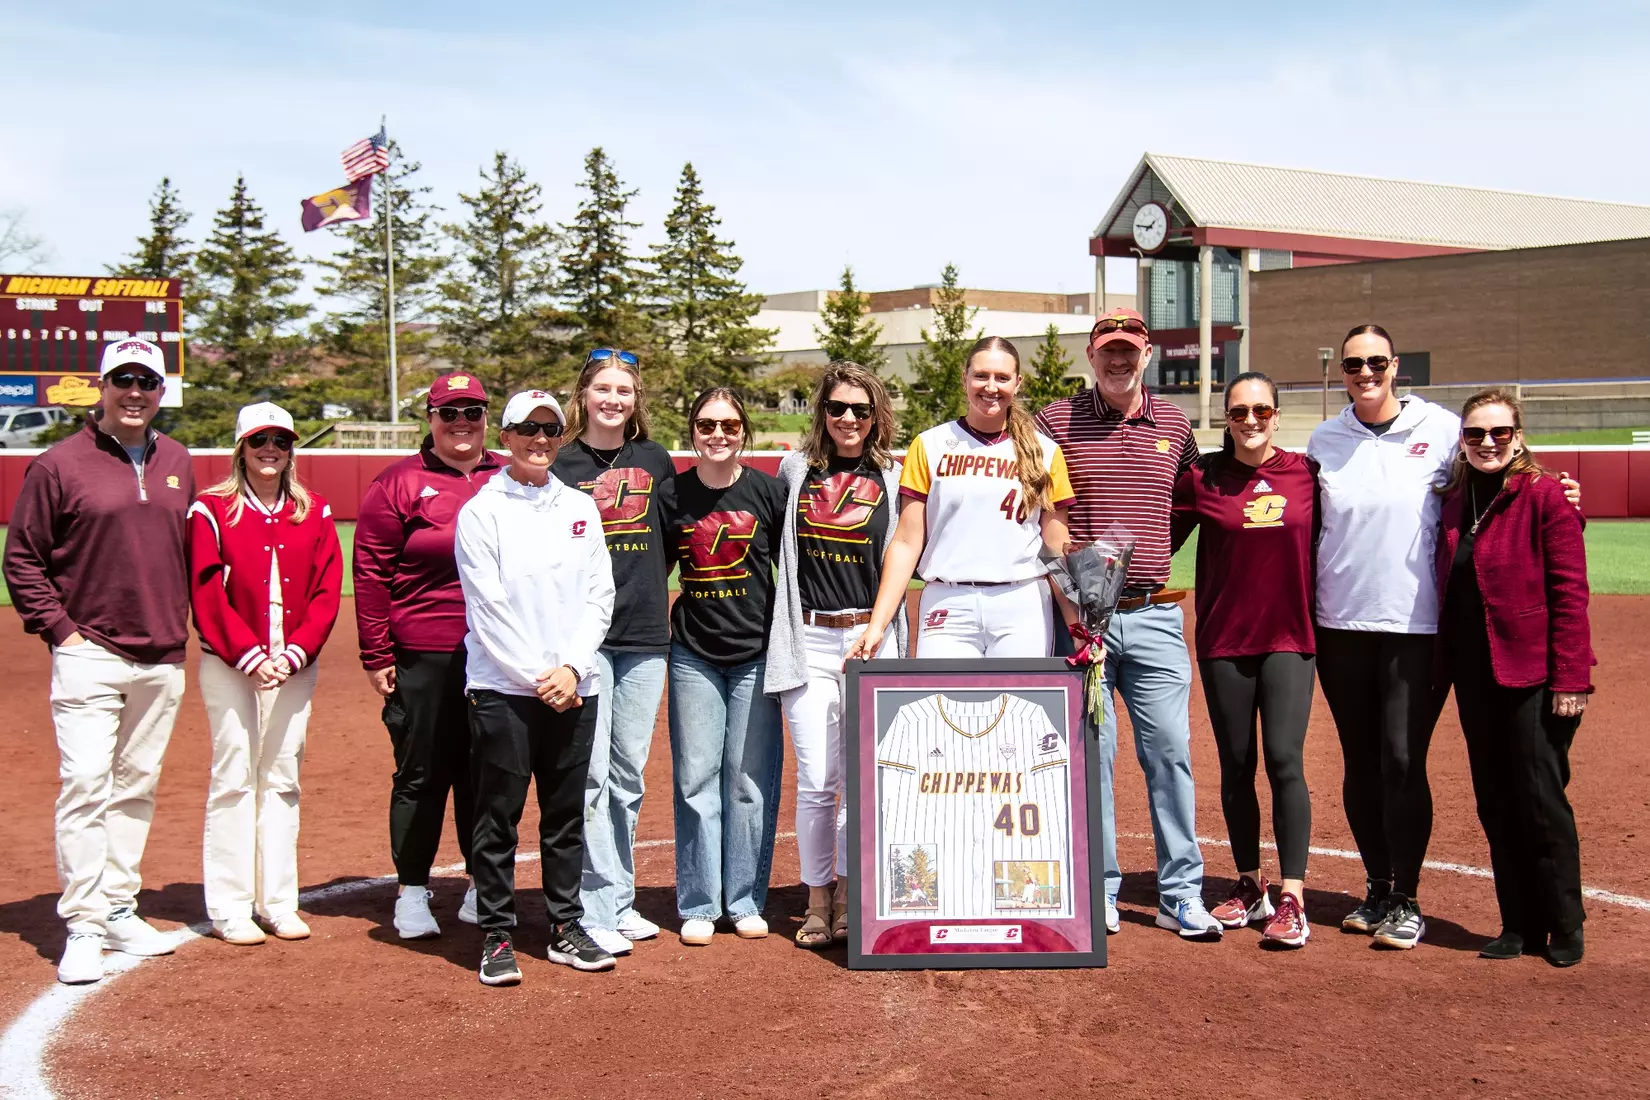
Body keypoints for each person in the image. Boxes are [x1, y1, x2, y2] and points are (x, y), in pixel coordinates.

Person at [1311, 325, 1581, 950]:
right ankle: (1378, 886)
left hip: (1419, 628)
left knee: (1403, 759)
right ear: (1341, 371)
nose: (1366, 371)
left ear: (1396, 365)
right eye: (1354, 364)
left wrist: (1564, 494)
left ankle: (1407, 896)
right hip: (1341, 623)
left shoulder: (1440, 432)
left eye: (1377, 361)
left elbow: (1509, 486)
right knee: (1361, 763)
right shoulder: (1324, 441)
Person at [3, 339, 194, 984]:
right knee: (86, 785)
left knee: (135, 789)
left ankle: (119, 906)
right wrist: (61, 632)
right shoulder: (59, 464)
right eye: (123, 380)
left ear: (161, 391)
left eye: (147, 381)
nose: (135, 392)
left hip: (163, 653)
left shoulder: (178, 460)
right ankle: (83, 924)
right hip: (90, 652)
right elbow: (22, 557)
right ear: (102, 386)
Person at [1035, 308, 1223, 940]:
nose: (1119, 360)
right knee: (1095, 755)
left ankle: (1180, 892)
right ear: (1091, 355)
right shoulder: (1055, 421)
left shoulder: (1173, 423)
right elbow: (1037, 508)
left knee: (1169, 751)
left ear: (1148, 354)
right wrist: (1074, 584)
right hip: (1081, 619)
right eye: (1107, 350)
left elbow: (1193, 502)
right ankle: (1101, 886)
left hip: (1154, 613)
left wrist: (1155, 550)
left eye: (1130, 350)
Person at [455, 390, 616, 984]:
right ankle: (497, 932)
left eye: (551, 429)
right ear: (507, 435)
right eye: (528, 429)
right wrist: (537, 676)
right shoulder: (482, 510)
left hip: (576, 685)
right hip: (503, 687)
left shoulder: (579, 505)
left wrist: (571, 669)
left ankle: (565, 925)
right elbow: (487, 607)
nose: (540, 439)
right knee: (498, 814)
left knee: (565, 814)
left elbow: (601, 594)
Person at [1433, 388, 1591, 967]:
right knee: (1495, 799)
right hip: (1476, 675)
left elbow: (1571, 594)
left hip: (1534, 675)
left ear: (1518, 436)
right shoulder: (1454, 498)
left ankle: (1565, 922)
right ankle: (1518, 923)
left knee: (1541, 799)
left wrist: (1570, 679)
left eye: (1499, 432)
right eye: (1475, 434)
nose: (1488, 443)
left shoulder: (1545, 495)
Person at [354, 372, 503, 940]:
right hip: (424, 649)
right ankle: (412, 890)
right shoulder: (398, 482)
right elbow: (370, 573)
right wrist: (376, 651)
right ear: (430, 418)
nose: (460, 422)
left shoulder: (506, 475)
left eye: (471, 411)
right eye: (449, 412)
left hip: (495, 652)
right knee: (421, 773)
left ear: (487, 417)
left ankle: (477, 884)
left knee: (484, 773)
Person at [1171, 373, 1317, 948]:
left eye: (1261, 410)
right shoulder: (1204, 477)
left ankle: (1292, 896)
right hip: (1225, 640)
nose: (1250, 420)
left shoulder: (1307, 474)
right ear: (1226, 418)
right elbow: (1161, 535)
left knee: (1284, 759)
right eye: (1239, 412)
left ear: (1276, 414)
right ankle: (1249, 883)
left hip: (1289, 637)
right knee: (1236, 764)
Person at [188, 402, 343, 946]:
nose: (270, 449)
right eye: (259, 440)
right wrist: (250, 656)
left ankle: (277, 901)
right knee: (234, 777)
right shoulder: (210, 509)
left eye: (280, 439)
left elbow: (327, 591)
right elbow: (205, 593)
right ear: (241, 448)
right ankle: (230, 905)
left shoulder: (315, 511)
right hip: (230, 666)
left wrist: (295, 652)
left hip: (294, 666)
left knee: (281, 780)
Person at [765, 363, 905, 948]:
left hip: (872, 638)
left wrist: (878, 627)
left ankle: (850, 892)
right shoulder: (796, 470)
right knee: (819, 780)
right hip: (809, 638)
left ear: (877, 417)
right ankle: (817, 898)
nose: (848, 419)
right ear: (822, 412)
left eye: (861, 409)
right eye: (837, 408)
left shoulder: (895, 475)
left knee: (864, 775)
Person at [550, 349, 677, 957]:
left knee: (627, 778)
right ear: (583, 395)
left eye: (624, 390)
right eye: (603, 388)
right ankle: (592, 906)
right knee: (592, 776)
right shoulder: (561, 461)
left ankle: (618, 901)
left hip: (646, 636)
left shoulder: (655, 460)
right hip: (586, 641)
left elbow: (670, 540)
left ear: (636, 400)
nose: (614, 399)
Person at [851, 336, 1074, 662]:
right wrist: (877, 624)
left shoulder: (1045, 452)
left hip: (1021, 599)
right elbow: (906, 543)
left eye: (1002, 377)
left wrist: (1079, 627)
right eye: (981, 375)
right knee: (946, 709)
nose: (991, 386)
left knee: (1018, 709)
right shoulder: (930, 445)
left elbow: (1056, 547)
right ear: (964, 377)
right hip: (947, 601)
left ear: (1018, 382)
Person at [658, 388, 787, 946]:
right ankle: (700, 902)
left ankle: (744, 899)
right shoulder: (671, 496)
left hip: (755, 654)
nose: (718, 435)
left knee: (747, 781)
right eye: (707, 424)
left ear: (744, 432)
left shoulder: (768, 493)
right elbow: (650, 570)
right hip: (693, 654)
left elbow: (796, 571)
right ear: (692, 430)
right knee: (695, 779)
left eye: (730, 426)